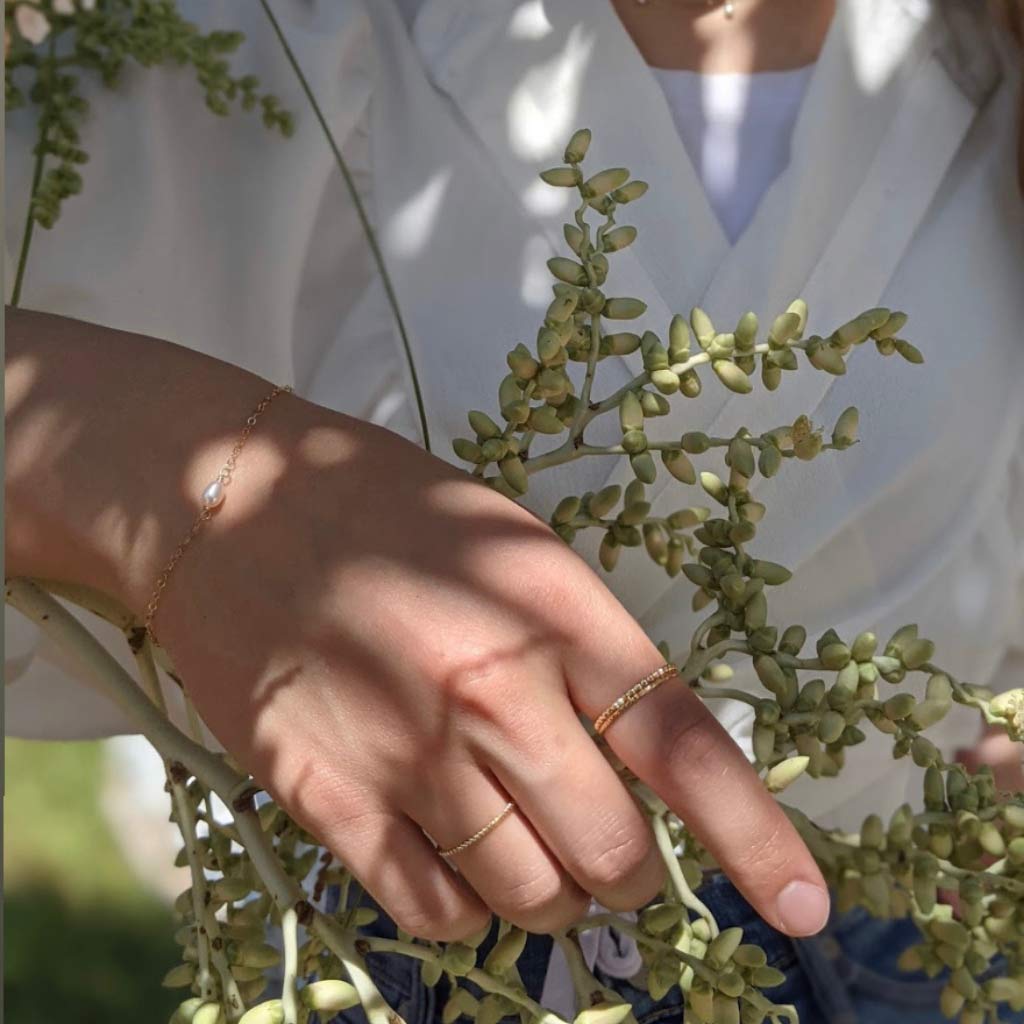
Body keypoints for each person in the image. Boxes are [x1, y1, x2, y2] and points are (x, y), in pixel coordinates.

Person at [5, 0, 1023, 1020]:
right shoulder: (289, 48)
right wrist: (197, 478)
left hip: (912, 937)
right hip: (445, 955)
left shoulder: (974, 57)